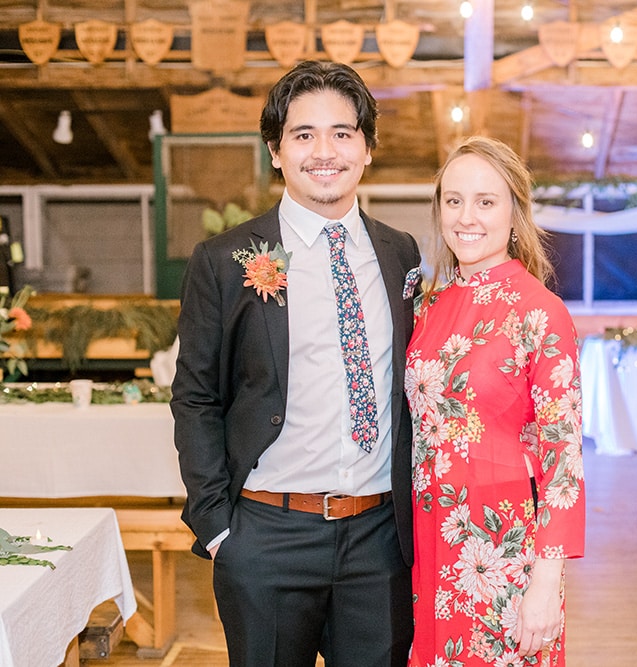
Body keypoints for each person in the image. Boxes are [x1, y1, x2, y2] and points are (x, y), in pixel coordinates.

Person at [171, 60, 422, 667]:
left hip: (378, 538)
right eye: (303, 134)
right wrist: (218, 527)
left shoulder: (399, 253)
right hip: (266, 534)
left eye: (343, 132)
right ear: (276, 151)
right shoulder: (227, 259)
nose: (324, 151)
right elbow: (195, 397)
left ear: (367, 147)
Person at [403, 136, 586, 666]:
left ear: (514, 211)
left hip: (501, 549)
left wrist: (546, 580)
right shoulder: (429, 307)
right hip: (427, 541)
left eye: (485, 201)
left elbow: (563, 458)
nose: (467, 216)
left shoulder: (542, 312)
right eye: (453, 200)